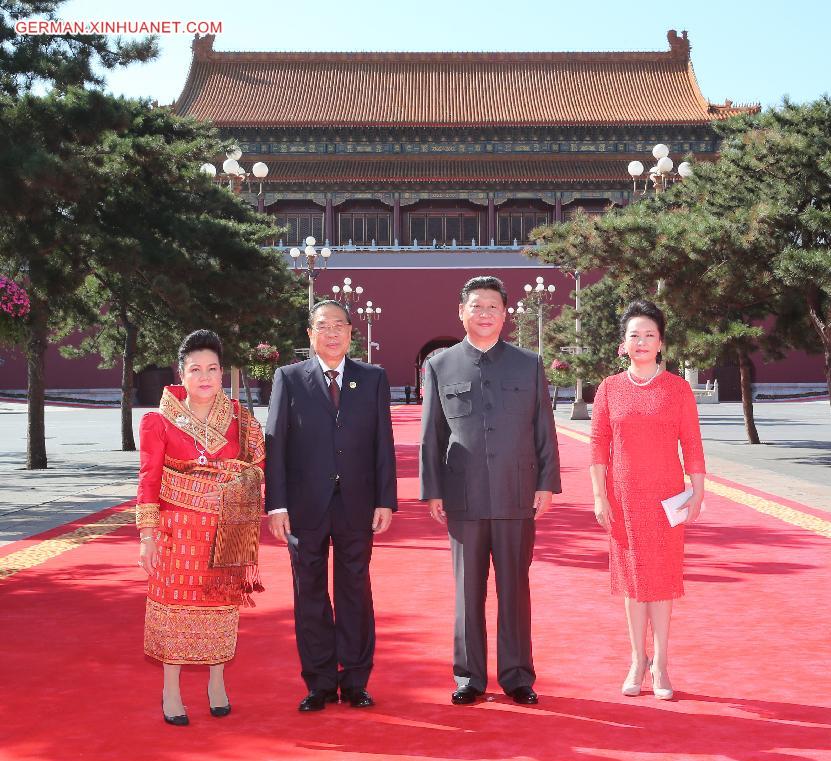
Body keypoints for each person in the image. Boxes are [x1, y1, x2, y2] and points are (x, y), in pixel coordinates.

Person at [420, 276, 561, 706]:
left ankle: (518, 675)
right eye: (477, 307)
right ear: (461, 312)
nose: (485, 314)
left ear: (506, 314)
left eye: (494, 307)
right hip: (464, 496)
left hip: (517, 493)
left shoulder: (528, 364)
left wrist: (546, 484)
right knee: (468, 591)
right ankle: (470, 676)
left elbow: (544, 428)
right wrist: (433, 490)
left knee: (515, 588)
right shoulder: (441, 366)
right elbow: (432, 432)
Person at [265, 300, 397, 712]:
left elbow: (383, 445)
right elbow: (276, 444)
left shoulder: (372, 378)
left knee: (356, 591)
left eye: (340, 325)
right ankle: (319, 682)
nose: (333, 332)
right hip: (304, 507)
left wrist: (385, 500)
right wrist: (277, 505)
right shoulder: (288, 378)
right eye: (324, 325)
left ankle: (356, 680)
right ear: (310, 334)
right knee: (310, 595)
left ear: (351, 332)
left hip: (357, 504)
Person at [137, 329, 265, 726]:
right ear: (181, 373)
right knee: (175, 609)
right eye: (196, 369)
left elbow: (258, 469)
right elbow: (149, 479)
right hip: (176, 532)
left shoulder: (241, 422)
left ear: (222, 372)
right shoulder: (158, 422)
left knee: (221, 608)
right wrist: (146, 535)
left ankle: (216, 682)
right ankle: (171, 690)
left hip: (227, 532)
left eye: (212, 368)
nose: (205, 376)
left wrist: (238, 477)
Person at [589, 300, 705, 701]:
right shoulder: (609, 388)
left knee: (662, 581)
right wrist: (600, 497)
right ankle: (637, 660)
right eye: (634, 335)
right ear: (623, 344)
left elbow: (691, 442)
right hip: (624, 499)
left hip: (666, 497)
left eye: (649, 335)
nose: (641, 342)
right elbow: (598, 446)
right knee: (633, 582)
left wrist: (699, 489)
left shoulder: (677, 389)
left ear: (661, 343)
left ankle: (661, 663)